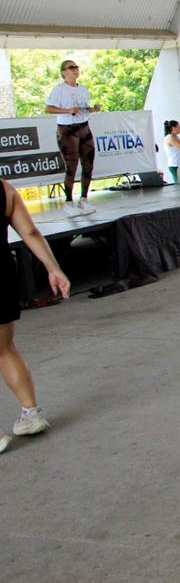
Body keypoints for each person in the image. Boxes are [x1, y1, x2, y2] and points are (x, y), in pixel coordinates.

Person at [0, 179, 69, 455]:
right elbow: (29, 231)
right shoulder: (5, 189)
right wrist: (54, 269)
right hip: (1, 274)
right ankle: (31, 414)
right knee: (5, 349)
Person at [44, 59, 101, 215]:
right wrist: (67, 111)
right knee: (71, 166)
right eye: (71, 67)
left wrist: (92, 109)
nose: (75, 70)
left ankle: (84, 199)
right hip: (67, 129)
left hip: (84, 126)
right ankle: (68, 202)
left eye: (77, 67)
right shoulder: (59, 90)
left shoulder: (83, 89)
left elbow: (83, 108)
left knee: (88, 163)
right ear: (64, 72)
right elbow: (48, 108)